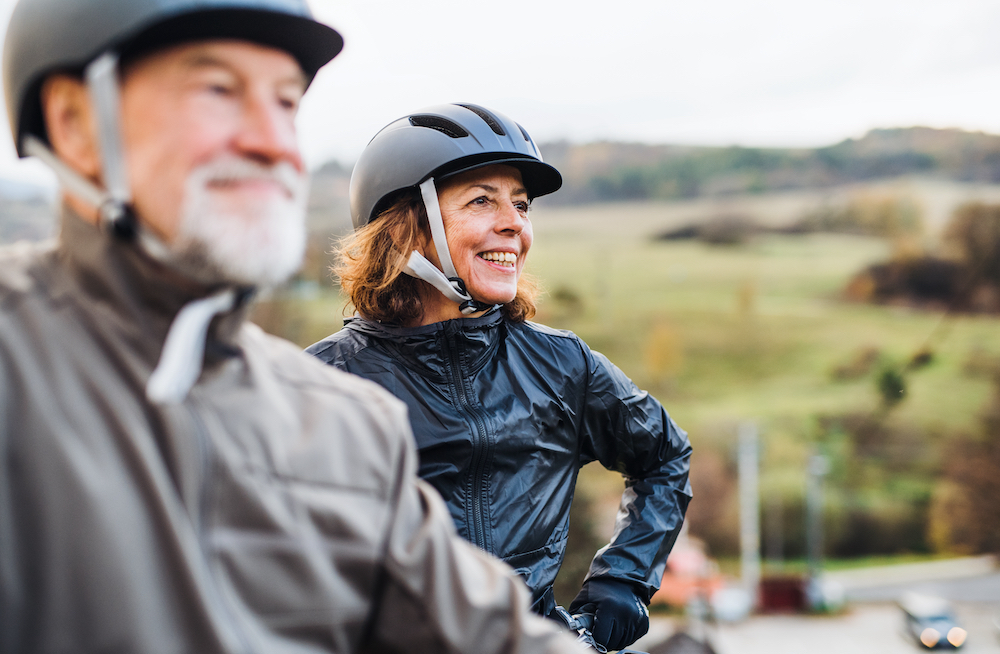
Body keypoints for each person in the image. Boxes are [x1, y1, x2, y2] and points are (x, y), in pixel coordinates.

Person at [0, 3, 584, 653]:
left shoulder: (346, 426)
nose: (273, 142)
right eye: (218, 90)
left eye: (285, 104)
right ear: (76, 122)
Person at [307, 104, 694, 652]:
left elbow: (665, 456)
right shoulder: (317, 386)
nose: (515, 223)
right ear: (405, 229)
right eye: (482, 200)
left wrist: (624, 579)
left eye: (520, 204)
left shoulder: (564, 366)